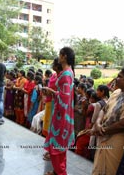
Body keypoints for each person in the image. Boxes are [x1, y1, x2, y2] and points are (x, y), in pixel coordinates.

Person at [91, 68, 124, 175]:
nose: (117, 79)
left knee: (112, 169)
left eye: (120, 77)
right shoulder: (116, 92)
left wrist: (103, 130)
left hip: (119, 137)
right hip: (103, 134)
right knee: (98, 167)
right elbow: (104, 110)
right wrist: (97, 123)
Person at [43, 47, 76, 175]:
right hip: (61, 112)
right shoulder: (68, 71)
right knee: (60, 147)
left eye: (60, 54)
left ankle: (61, 172)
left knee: (57, 147)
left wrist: (52, 92)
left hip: (61, 115)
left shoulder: (66, 74)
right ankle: (58, 171)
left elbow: (65, 97)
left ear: (65, 56)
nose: (59, 57)